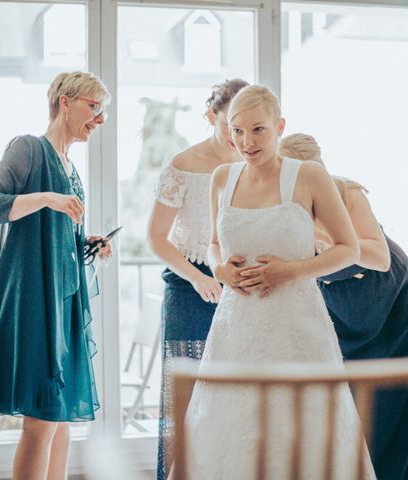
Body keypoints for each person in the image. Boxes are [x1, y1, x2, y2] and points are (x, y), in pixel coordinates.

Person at [181, 86, 375, 479]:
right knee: (231, 428)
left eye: (257, 130)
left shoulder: (309, 176)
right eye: (236, 131)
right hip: (237, 329)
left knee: (300, 428)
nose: (245, 142)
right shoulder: (222, 178)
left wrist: (291, 270)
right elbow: (214, 245)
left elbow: (349, 248)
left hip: (297, 327)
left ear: (279, 127)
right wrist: (220, 270)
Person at [279, 133, 408, 480]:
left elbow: (377, 256)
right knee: (351, 393)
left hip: (385, 290)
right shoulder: (279, 201)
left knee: (402, 385)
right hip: (337, 293)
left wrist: (330, 242)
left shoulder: (346, 192)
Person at [0, 71, 111, 480]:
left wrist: (90, 243)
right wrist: (47, 198)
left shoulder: (71, 167)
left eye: (103, 112)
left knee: (60, 419)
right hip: (32, 301)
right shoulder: (28, 148)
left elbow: (57, 238)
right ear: (65, 102)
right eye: (94, 107)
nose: (100, 119)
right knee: (42, 420)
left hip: (62, 301)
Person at [147, 79, 248, 480]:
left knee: (236, 391)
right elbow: (155, 237)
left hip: (240, 286)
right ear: (211, 117)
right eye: (230, 125)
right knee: (185, 396)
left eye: (247, 126)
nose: (239, 137)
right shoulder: (182, 166)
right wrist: (195, 278)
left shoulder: (251, 164)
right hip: (190, 288)